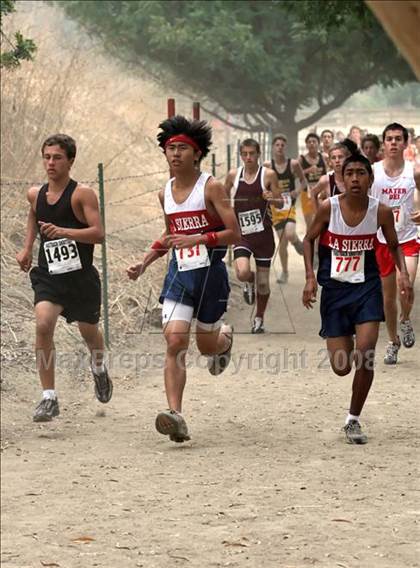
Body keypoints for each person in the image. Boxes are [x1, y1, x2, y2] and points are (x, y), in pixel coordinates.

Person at [127, 116, 240, 443]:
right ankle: (175, 415)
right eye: (169, 148)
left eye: (181, 148)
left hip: (210, 278)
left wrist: (200, 239)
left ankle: (225, 339)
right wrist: (145, 261)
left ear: (197, 154)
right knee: (175, 342)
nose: (174, 154)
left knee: (207, 347)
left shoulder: (211, 188)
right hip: (179, 277)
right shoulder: (165, 193)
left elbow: (234, 233)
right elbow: (170, 235)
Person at [302, 153, 412, 444]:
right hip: (335, 292)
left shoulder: (381, 212)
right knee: (342, 367)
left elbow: (393, 244)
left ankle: (353, 419)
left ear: (370, 179)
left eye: (361, 173)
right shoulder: (329, 208)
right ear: (342, 177)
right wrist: (310, 277)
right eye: (349, 173)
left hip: (367, 289)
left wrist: (403, 274)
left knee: (366, 355)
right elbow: (308, 239)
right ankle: (346, 340)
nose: (354, 178)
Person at [16, 134, 113, 422]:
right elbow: (34, 215)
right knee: (43, 323)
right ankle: (49, 397)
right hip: (50, 275)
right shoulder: (35, 194)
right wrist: (26, 248)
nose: (50, 162)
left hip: (80, 278)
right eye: (46, 157)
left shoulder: (82, 194)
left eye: (57, 157)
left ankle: (98, 368)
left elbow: (99, 233)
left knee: (89, 333)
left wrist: (66, 232)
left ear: (70, 160)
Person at [370, 122, 420, 364]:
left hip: (408, 238)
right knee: (388, 298)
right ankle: (393, 341)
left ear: (405, 143)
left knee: (406, 285)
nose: (393, 143)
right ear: (383, 143)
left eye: (398, 139)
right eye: (389, 138)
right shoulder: (373, 172)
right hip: (382, 241)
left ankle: (405, 319)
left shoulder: (415, 171)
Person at [225, 138, 283, 333]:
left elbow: (281, 203)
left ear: (259, 154)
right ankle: (250, 280)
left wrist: (272, 198)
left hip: (263, 235)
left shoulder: (268, 175)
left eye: (252, 153)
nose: (248, 157)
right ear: (240, 155)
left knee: (264, 284)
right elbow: (223, 200)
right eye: (245, 154)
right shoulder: (233, 175)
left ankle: (259, 317)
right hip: (242, 234)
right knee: (241, 272)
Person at [263, 134, 307, 284]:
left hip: (289, 205)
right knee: (282, 242)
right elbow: (262, 184)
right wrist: (267, 193)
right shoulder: (267, 165)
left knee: (289, 233)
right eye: (277, 145)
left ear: (285, 148)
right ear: (273, 147)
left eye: (282, 145)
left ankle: (296, 242)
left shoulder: (293, 164)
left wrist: (298, 191)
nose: (280, 147)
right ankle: (285, 272)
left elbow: (303, 181)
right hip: (275, 207)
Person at [299, 133, 327, 230]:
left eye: (314, 142)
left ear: (318, 144)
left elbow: (328, 172)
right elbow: (293, 175)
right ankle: (309, 243)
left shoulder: (323, 157)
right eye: (309, 142)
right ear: (306, 145)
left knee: (322, 221)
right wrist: (307, 170)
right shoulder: (301, 159)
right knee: (310, 224)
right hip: (307, 193)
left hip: (321, 192)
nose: (311, 144)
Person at [311, 142, 350, 210]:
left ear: (347, 158)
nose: (337, 160)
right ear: (330, 161)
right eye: (333, 158)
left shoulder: (355, 178)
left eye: (340, 157)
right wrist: (317, 216)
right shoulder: (326, 180)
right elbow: (313, 193)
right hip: (333, 220)